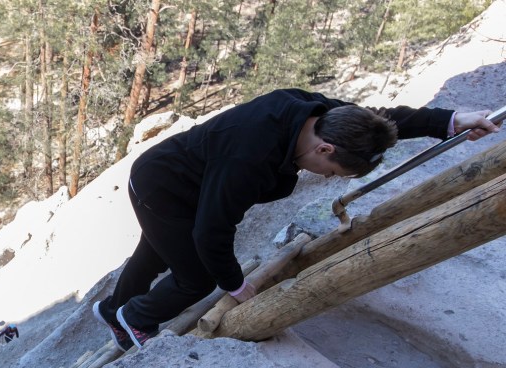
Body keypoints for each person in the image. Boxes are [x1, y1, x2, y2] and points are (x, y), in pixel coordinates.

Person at [93, 88, 502, 351]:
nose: (325, 178)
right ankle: (135, 318)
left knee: (157, 250)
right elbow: (213, 231)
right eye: (333, 172)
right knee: (196, 276)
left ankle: (111, 309)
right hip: (162, 186)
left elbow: (379, 121)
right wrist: (236, 284)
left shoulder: (321, 115)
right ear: (325, 150)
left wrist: (449, 122)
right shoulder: (250, 157)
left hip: (191, 181)